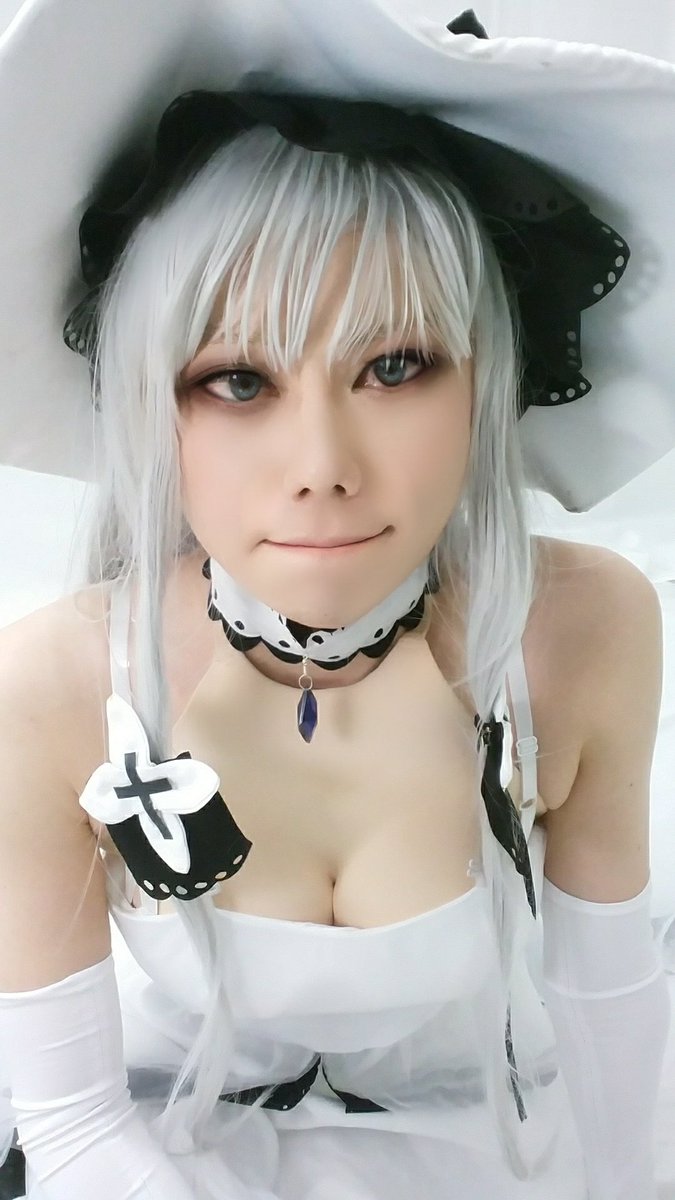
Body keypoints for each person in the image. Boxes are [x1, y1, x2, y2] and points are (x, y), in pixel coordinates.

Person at [0, 4, 673, 1198]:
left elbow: (613, 1024)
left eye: (394, 366)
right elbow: (73, 1129)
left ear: (485, 377)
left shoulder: (580, 634)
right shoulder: (52, 686)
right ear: (152, 401)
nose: (322, 464)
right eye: (238, 381)